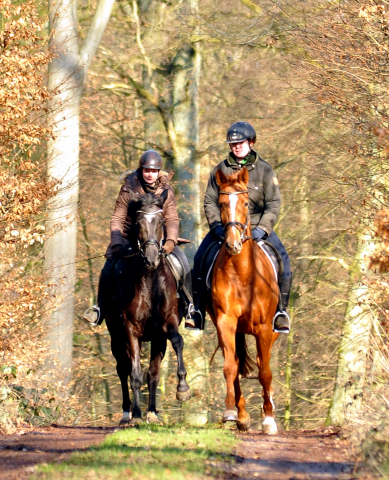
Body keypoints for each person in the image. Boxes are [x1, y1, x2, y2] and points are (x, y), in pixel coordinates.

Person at [185, 122, 292, 333]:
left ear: (251, 143)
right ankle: (196, 310)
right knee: (198, 260)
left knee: (285, 263)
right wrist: (216, 226)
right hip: (226, 227)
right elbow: (209, 201)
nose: (236, 147)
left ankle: (281, 312)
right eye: (233, 144)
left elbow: (273, 204)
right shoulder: (220, 170)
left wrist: (263, 228)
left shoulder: (265, 170)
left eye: (240, 143)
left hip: (258, 228)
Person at [83, 150, 193, 326]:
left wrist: (171, 240)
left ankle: (190, 309)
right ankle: (100, 308)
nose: (150, 174)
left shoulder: (166, 191)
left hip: (159, 240)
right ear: (141, 170)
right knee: (108, 267)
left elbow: (172, 218)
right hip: (129, 239)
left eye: (154, 171)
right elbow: (118, 218)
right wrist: (117, 242)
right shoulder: (128, 189)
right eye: (146, 170)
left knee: (182, 262)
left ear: (158, 172)